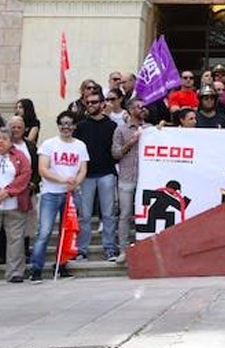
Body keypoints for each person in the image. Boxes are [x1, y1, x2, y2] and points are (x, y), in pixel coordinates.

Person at [31, 111, 89, 283]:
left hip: (71, 194)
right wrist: (64, 180)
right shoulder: (49, 144)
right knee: (45, 231)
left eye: (70, 123)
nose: (66, 127)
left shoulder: (80, 145)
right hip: (51, 193)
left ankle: (62, 265)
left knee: (67, 233)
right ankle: (36, 269)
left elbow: (83, 169)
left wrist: (75, 182)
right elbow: (43, 169)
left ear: (74, 126)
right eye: (63, 123)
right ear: (58, 125)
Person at [73, 89, 119, 262]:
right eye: (88, 102)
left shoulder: (112, 125)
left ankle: (109, 248)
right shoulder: (81, 126)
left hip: (107, 173)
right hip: (86, 175)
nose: (90, 105)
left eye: (94, 102)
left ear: (102, 104)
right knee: (84, 215)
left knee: (108, 213)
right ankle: (82, 249)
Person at [111, 99, 150, 264]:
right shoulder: (121, 130)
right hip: (127, 177)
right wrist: (131, 142)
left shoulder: (150, 129)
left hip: (146, 178)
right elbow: (116, 154)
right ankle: (124, 250)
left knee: (145, 215)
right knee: (125, 214)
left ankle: (144, 248)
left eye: (143, 107)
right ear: (130, 109)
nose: (142, 110)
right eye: (138, 107)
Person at [0, 127, 32, 283]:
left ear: (10, 141)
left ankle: (15, 272)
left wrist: (8, 191)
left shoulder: (20, 156)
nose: (0, 141)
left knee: (16, 239)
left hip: (14, 204)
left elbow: (25, 175)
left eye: (4, 138)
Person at [8, 116, 38, 260]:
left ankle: (24, 252)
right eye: (13, 127)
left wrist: (34, 182)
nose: (16, 130)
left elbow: (36, 167)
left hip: (27, 191)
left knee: (27, 225)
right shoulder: (4, 145)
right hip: (7, 193)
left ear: (24, 129)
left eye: (19, 127)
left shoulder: (30, 146)